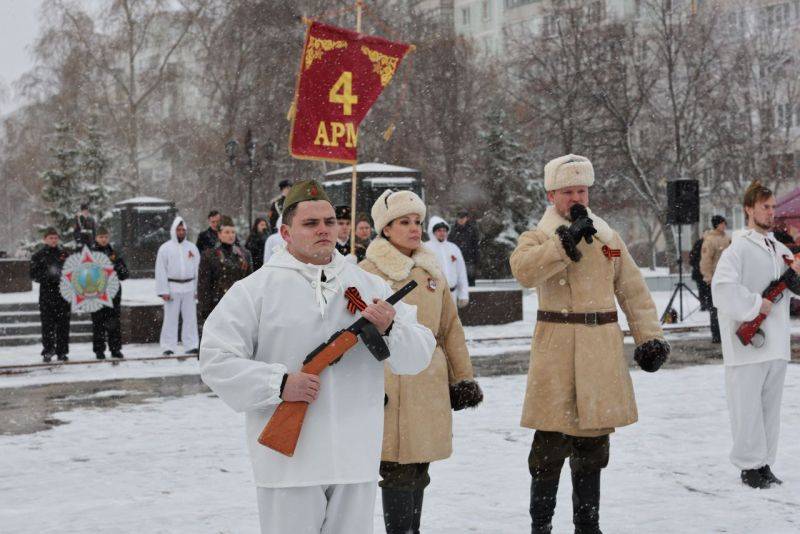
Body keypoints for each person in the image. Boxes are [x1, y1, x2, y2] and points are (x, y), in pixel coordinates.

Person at [199, 180, 435, 534]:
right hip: (289, 466)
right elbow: (216, 359)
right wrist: (278, 384)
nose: (324, 230)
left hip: (354, 458)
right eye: (310, 224)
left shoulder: (369, 285)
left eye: (329, 221)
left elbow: (417, 356)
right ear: (285, 232)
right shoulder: (254, 291)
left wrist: (390, 328)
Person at [509, 154, 669, 534]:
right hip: (556, 349)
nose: (576, 197)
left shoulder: (608, 239)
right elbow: (523, 271)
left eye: (581, 189)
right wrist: (564, 245)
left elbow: (631, 287)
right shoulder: (538, 236)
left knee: (593, 447)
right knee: (548, 447)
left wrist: (649, 337)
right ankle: (541, 524)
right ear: (551, 195)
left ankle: (587, 524)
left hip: (600, 349)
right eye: (567, 191)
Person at [360, 190, 483, 534]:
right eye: (404, 222)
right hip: (392, 382)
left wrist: (463, 379)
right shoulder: (368, 271)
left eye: (417, 221)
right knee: (398, 468)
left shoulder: (432, 270)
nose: (414, 228)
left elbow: (450, 329)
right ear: (385, 229)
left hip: (429, 382)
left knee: (419, 468)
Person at [712, 181, 800, 489]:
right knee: (746, 406)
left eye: (774, 206)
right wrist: (754, 305)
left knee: (769, 409)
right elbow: (722, 290)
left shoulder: (780, 248)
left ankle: (764, 464)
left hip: (775, 341)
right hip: (747, 343)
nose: (772, 212)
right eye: (765, 207)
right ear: (748, 209)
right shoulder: (736, 249)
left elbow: (793, 286)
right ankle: (749, 466)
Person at [155, 216, 200, 356]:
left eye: (183, 230)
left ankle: (191, 344)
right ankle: (168, 346)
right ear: (173, 230)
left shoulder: (192, 247)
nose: (181, 232)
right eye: (178, 229)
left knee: (190, 318)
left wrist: (197, 289)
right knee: (170, 318)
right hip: (172, 287)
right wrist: (163, 290)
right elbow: (160, 270)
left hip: (189, 286)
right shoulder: (165, 248)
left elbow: (197, 268)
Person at [198, 216, 252, 325]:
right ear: (219, 234)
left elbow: (250, 282)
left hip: (239, 304)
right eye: (226, 232)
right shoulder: (209, 255)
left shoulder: (245, 254)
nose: (230, 235)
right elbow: (204, 285)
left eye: (233, 232)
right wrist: (205, 309)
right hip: (218, 304)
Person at [30, 227, 72, 362]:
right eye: (51, 238)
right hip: (47, 295)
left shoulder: (65, 254)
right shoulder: (38, 256)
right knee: (47, 325)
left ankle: (62, 351)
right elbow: (33, 275)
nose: (53, 240)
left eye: (55, 238)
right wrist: (49, 276)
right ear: (45, 239)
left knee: (63, 325)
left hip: (63, 295)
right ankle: (48, 350)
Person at [89, 226, 129, 359]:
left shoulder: (115, 253)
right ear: (96, 238)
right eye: (101, 237)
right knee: (98, 323)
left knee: (114, 323)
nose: (103, 239)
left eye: (105, 237)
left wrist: (118, 268)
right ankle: (99, 350)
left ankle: (115, 349)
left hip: (113, 294)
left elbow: (125, 274)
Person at [425, 216, 469, 309]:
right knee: (435, 322)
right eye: (439, 230)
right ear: (433, 232)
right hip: (433, 296)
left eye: (444, 230)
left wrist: (463, 295)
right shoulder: (426, 249)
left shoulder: (453, 248)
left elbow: (461, 272)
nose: (442, 233)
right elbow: (424, 273)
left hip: (452, 294)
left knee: (452, 322)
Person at [700, 215, 731, 344]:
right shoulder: (710, 240)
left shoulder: (727, 238)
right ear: (717, 225)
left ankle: (726, 333)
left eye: (725, 223)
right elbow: (706, 261)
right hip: (715, 280)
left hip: (727, 278)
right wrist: (708, 277)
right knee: (715, 309)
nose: (724, 226)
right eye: (722, 224)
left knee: (727, 308)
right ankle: (716, 335)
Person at [448, 209, 480, 286]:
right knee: (456, 282)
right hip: (455, 260)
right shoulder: (452, 230)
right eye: (460, 218)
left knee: (470, 281)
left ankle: (471, 298)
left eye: (463, 218)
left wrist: (476, 261)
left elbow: (476, 246)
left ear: (467, 218)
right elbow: (449, 245)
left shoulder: (472, 229)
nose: (461, 220)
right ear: (457, 218)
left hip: (469, 260)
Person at [689, 235, 710, 311]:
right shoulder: (701, 244)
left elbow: (691, 258)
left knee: (702, 290)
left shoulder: (699, 243)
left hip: (700, 272)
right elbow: (692, 257)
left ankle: (704, 305)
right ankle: (705, 305)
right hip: (701, 272)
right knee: (705, 290)